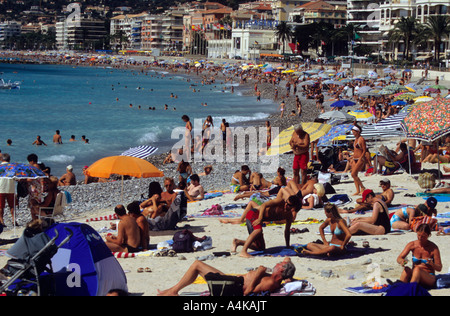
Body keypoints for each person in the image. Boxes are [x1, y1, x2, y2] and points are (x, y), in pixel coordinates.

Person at [157, 257, 296, 296]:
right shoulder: (274, 276)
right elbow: (288, 259)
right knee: (198, 265)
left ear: (281, 270)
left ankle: (173, 291)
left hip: (231, 287)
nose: (278, 263)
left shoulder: (271, 283)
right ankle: (172, 290)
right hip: (231, 281)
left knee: (197, 265)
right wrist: (289, 276)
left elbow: (248, 292)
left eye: (280, 264)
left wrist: (258, 273)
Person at [231, 195, 302, 258]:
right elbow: (263, 205)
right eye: (286, 202)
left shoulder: (289, 216)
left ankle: (238, 242)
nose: (286, 205)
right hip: (253, 213)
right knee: (258, 230)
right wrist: (260, 218)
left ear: (294, 208)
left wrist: (287, 246)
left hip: (257, 217)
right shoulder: (280, 201)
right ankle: (243, 251)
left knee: (260, 247)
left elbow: (287, 231)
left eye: (289, 205)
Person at [397, 224, 442, 288]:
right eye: (418, 235)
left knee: (417, 269)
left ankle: (410, 290)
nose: (420, 238)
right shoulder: (412, 245)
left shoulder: (433, 248)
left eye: (423, 236)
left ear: (428, 235)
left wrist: (432, 264)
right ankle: (398, 289)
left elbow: (439, 268)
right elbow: (399, 258)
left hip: (429, 277)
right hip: (415, 275)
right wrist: (402, 261)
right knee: (406, 269)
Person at [0, 154, 17, 226]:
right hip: (11, 188)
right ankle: (13, 220)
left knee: (1, 206)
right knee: (12, 205)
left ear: (1, 159)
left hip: (1, 188)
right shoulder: (13, 167)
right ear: (9, 160)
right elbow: (16, 178)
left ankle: (1, 220)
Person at [349, 125, 366, 196]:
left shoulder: (361, 139)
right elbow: (356, 150)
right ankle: (358, 190)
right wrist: (352, 156)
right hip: (355, 158)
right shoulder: (356, 139)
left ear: (358, 132)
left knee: (353, 174)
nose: (353, 133)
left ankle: (362, 187)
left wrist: (360, 158)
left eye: (354, 131)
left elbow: (364, 150)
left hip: (360, 158)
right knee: (354, 175)